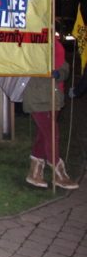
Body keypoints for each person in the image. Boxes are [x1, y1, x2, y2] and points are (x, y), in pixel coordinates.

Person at [22, 39, 78, 189]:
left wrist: (59, 73)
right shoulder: (31, 42)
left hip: (55, 97)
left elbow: (64, 68)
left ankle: (34, 173)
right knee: (52, 133)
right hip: (37, 97)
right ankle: (59, 173)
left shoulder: (56, 43)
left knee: (44, 134)